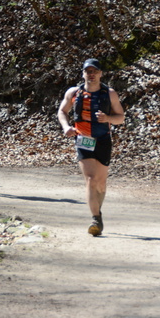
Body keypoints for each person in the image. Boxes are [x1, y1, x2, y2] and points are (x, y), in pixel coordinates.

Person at [57, 58, 125, 236]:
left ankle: (98, 212)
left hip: (103, 139)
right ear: (83, 73)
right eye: (88, 71)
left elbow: (121, 118)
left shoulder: (109, 94)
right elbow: (62, 111)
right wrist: (66, 127)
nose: (91, 74)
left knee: (101, 184)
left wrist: (108, 119)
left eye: (95, 71)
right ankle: (95, 219)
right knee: (90, 179)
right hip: (82, 139)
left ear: (101, 74)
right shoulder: (74, 92)